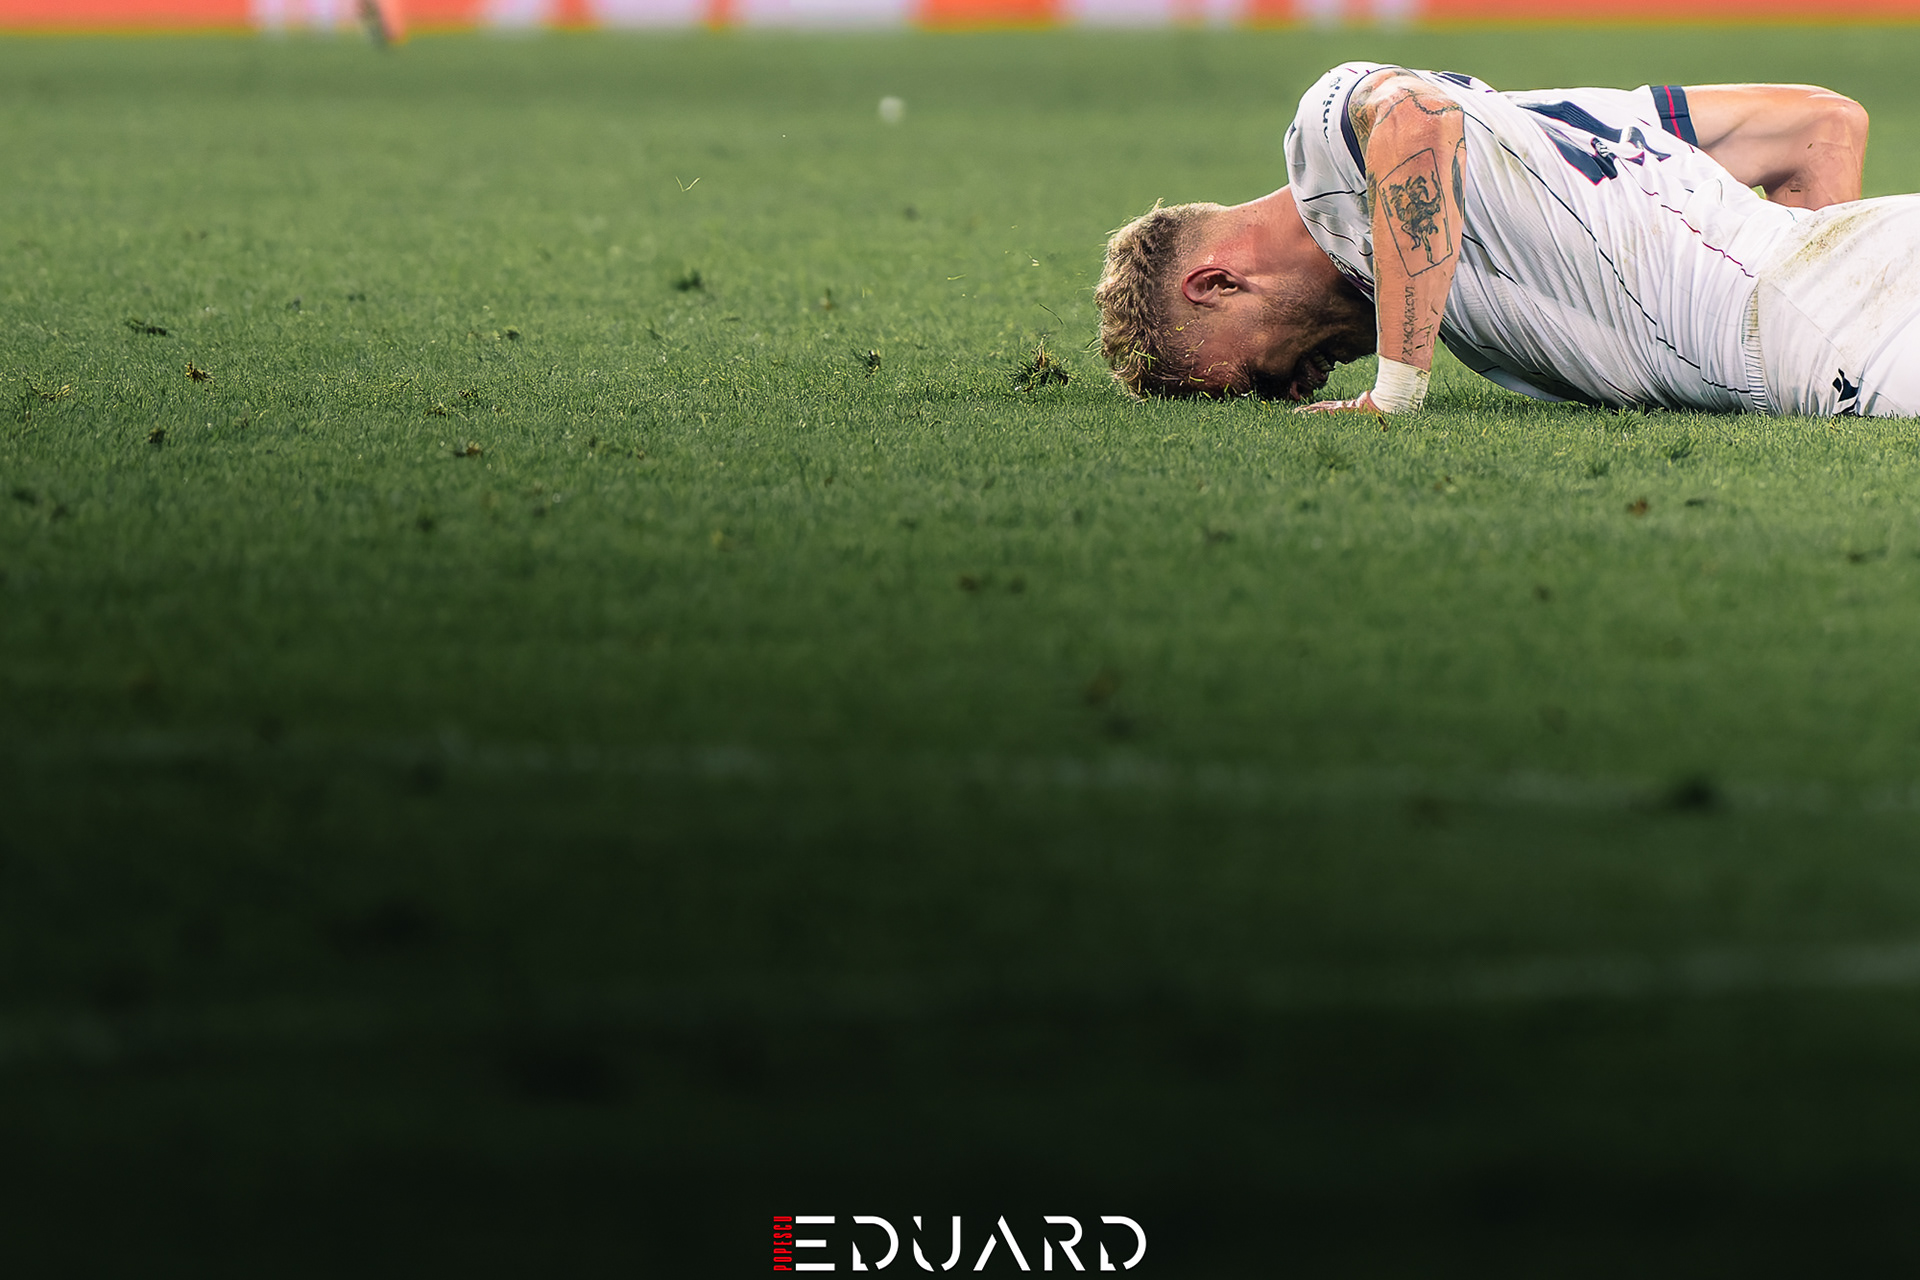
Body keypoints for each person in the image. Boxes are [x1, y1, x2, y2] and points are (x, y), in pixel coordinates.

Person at [1094, 64, 1920, 417]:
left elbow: (1415, 118)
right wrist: (1831, 266)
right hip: (1858, 273)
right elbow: (1820, 125)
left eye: (1255, 381)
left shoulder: (1326, 147)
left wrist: (1396, 389)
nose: (1293, 393)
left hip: (1830, 327)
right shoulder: (1528, 122)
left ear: (1216, 284)